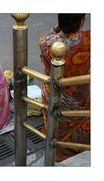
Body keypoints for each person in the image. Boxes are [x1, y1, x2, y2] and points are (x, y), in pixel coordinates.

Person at [39, 14, 90, 161]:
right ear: (82, 21)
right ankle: (77, 151)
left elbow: (49, 35)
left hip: (54, 97)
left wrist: (60, 26)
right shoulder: (89, 40)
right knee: (80, 122)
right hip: (80, 100)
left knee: (55, 123)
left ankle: (56, 152)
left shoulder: (46, 44)